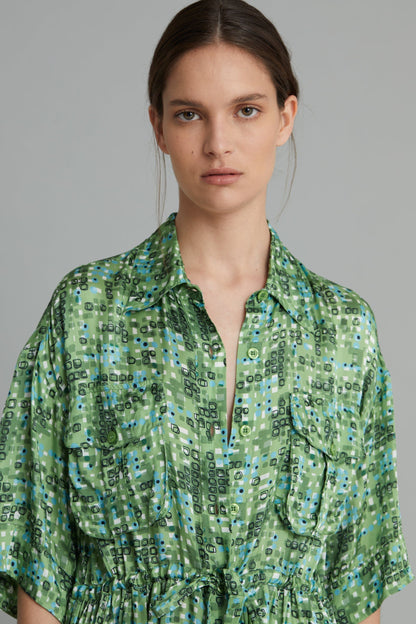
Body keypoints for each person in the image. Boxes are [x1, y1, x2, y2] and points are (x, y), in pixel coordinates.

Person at [0, 0, 413, 622]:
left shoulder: (342, 330)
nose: (218, 143)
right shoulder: (87, 313)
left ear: (285, 117)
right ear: (158, 127)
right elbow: (40, 567)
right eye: (189, 114)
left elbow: (357, 584)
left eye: (246, 110)